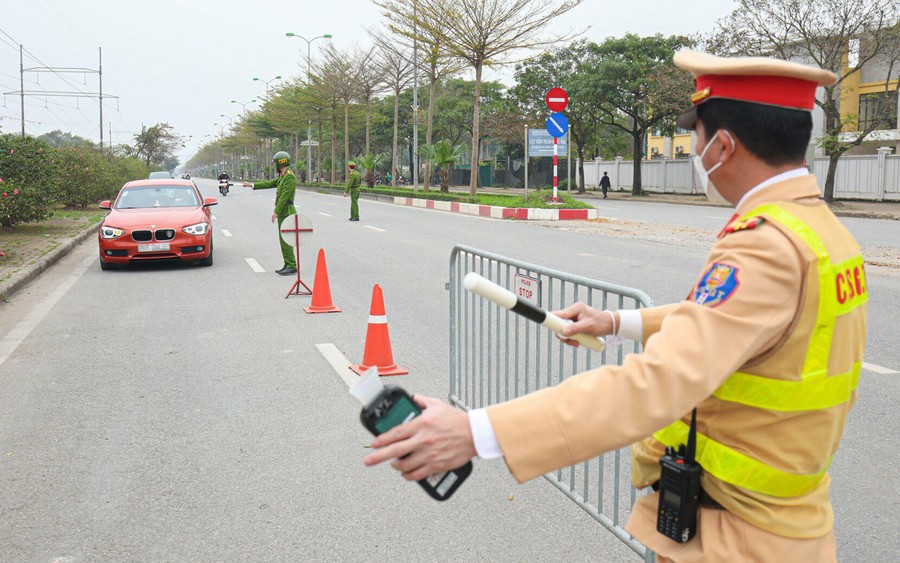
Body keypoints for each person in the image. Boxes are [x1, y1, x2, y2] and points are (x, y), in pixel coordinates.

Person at [364, 50, 866, 562]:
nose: (695, 151)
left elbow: (654, 384)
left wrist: (474, 432)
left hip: (739, 540)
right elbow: (740, 323)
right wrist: (618, 321)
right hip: (784, 526)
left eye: (696, 137)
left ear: (723, 146)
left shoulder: (765, 244)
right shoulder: (821, 232)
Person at [241, 151, 298, 275]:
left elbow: (284, 196)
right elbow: (269, 183)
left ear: (280, 162)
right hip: (283, 212)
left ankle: (292, 265)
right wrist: (251, 185)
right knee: (282, 239)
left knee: (286, 239)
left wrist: (276, 211)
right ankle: (287, 263)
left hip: (287, 212)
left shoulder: (289, 176)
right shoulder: (283, 176)